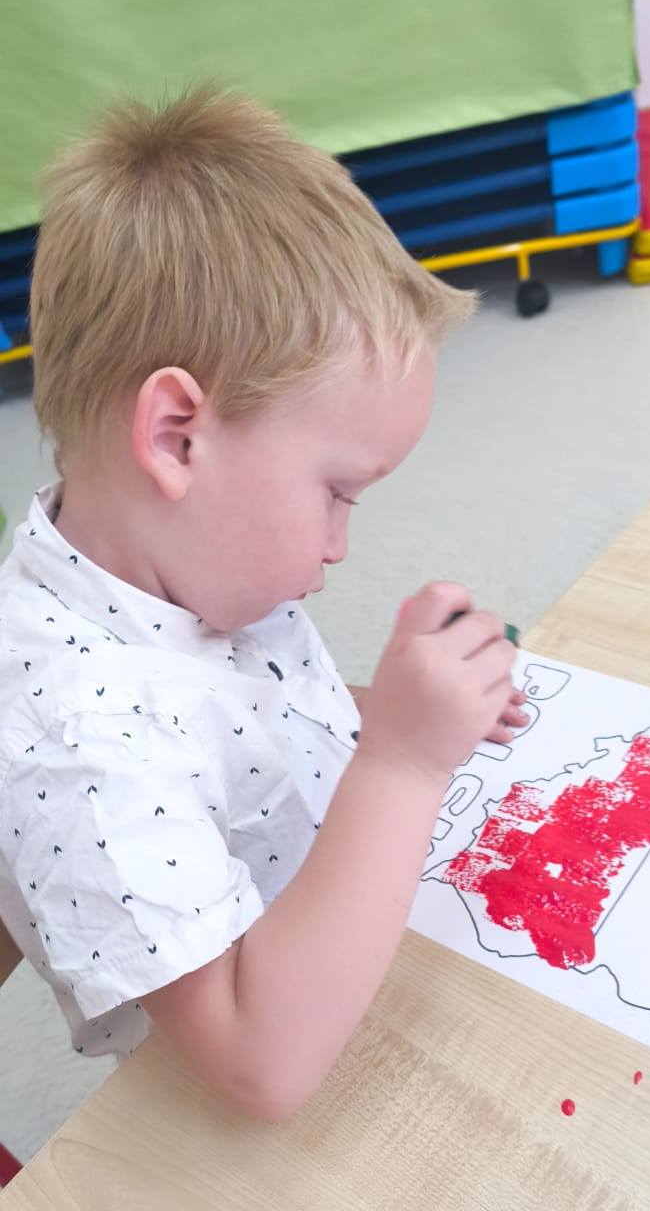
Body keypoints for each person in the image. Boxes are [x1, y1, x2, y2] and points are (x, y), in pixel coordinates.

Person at [0, 87, 526, 1117]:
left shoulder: (180, 557)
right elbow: (260, 1066)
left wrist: (394, 714)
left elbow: (250, 730)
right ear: (177, 437)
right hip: (277, 1079)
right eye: (336, 493)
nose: (340, 546)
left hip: (352, 943)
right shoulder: (80, 735)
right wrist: (405, 763)